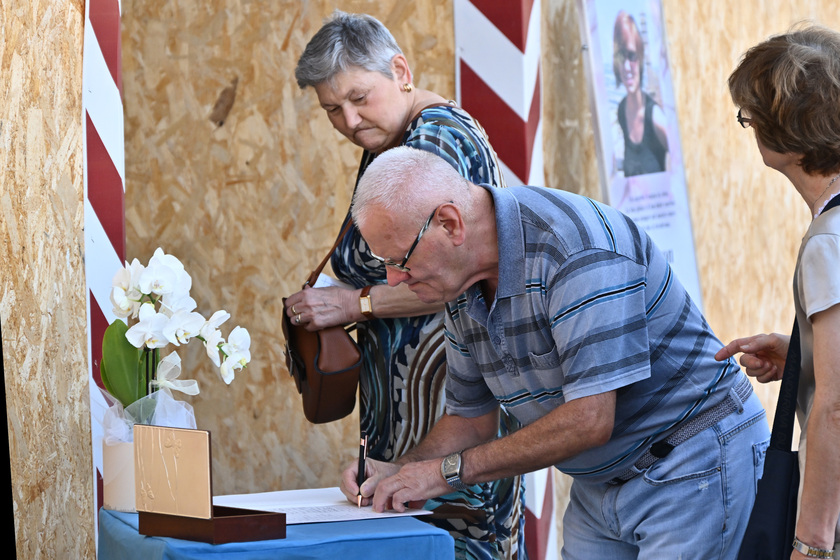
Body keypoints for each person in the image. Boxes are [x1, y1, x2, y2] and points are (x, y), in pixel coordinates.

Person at [342, 145, 770, 559]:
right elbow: (469, 420)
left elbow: (588, 420)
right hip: (600, 480)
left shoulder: (575, 248)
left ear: (450, 224)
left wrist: (445, 472)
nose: (393, 280)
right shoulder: (455, 280)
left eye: (399, 259)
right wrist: (398, 471)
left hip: (687, 459)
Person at [284, 11, 525, 560]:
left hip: (453, 397)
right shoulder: (394, 139)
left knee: (454, 537)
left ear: (401, 70)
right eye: (331, 109)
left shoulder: (434, 143)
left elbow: (444, 279)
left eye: (359, 97)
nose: (348, 119)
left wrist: (354, 302)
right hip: (418, 398)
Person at [717, 24, 840, 560]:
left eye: (749, 117)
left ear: (779, 131)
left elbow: (836, 408)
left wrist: (810, 543)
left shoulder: (826, 244)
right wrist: (802, 358)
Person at [613, 11, 669, 177]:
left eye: (632, 56)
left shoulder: (656, 118)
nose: (627, 67)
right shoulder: (622, 110)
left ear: (641, 58)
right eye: (621, 57)